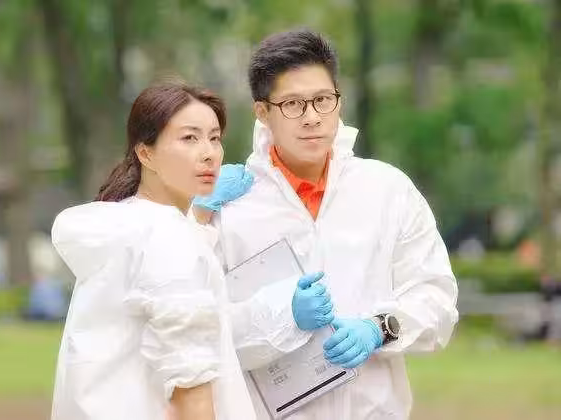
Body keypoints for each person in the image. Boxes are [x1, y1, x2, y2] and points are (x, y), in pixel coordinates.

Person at [194, 30, 459, 419]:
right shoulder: (230, 207)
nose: (312, 117)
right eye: (293, 104)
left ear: (338, 101)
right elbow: (202, 330)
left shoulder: (387, 190)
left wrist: (379, 329)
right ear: (262, 112)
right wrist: (282, 316)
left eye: (322, 100)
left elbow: (437, 300)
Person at [50, 83, 256, 420]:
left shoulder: (131, 226)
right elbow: (191, 388)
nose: (208, 153)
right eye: (189, 138)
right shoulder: (168, 236)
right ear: (145, 154)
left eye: (214, 138)